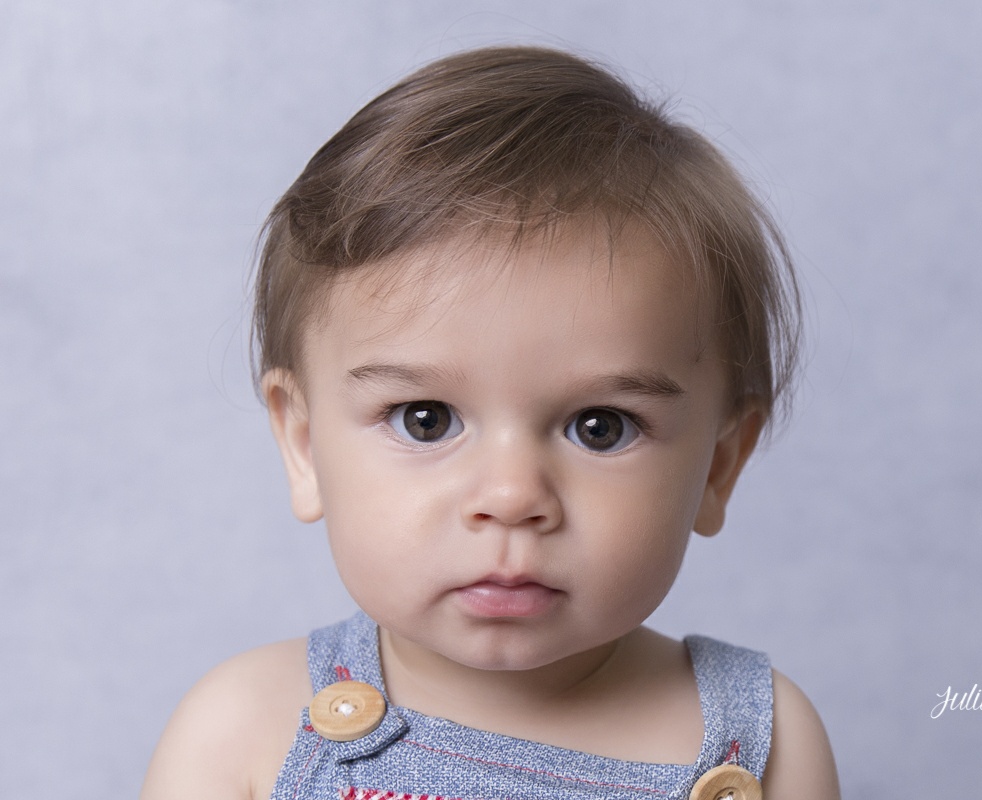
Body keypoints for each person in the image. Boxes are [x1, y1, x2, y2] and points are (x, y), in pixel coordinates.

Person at [141, 45, 839, 800]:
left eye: (600, 426)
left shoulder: (763, 747)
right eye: (426, 419)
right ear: (304, 445)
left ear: (717, 466)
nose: (511, 496)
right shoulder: (247, 732)